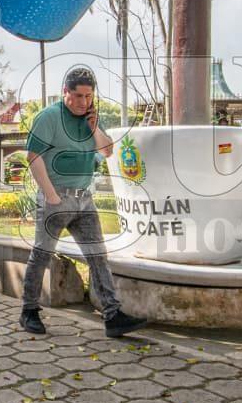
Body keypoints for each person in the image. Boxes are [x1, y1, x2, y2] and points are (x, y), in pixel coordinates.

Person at [21, 67, 148, 338]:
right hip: (56, 198)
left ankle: (113, 315)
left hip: (83, 200)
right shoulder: (49, 117)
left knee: (98, 256)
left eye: (88, 96)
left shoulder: (89, 118)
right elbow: (33, 156)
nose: (83, 102)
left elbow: (107, 150)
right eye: (78, 95)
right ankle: (28, 310)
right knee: (42, 254)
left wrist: (94, 126)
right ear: (65, 92)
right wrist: (51, 195)